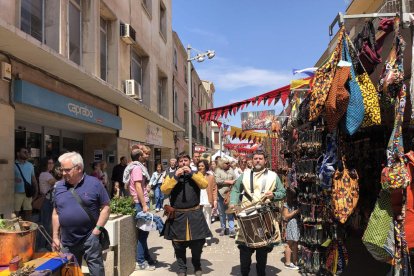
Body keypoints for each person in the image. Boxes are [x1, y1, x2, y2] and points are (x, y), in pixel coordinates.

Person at [229, 150, 286, 276]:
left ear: (265, 160)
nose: (258, 160)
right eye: (255, 158)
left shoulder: (273, 176)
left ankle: (261, 273)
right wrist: (233, 202)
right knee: (245, 249)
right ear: (252, 160)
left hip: (264, 216)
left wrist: (274, 195)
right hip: (246, 216)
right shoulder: (244, 175)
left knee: (262, 250)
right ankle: (245, 272)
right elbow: (235, 190)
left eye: (260, 158)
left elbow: (282, 192)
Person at [52, 152, 110, 276]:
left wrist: (97, 231)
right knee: (69, 272)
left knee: (96, 271)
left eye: (67, 170)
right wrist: (55, 237)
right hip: (67, 241)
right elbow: (56, 213)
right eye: (62, 170)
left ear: (79, 168)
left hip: (90, 237)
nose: (63, 173)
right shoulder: (59, 186)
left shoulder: (94, 183)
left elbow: (106, 208)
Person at [161, 152, 211, 276]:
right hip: (178, 215)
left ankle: (197, 264)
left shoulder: (196, 174)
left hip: (195, 214)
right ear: (178, 163)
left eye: (186, 161)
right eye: (181, 161)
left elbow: (204, 184)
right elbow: (164, 189)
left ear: (190, 162)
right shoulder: (171, 175)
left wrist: (192, 174)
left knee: (198, 243)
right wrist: (175, 178)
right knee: (178, 244)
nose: (183, 163)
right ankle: (182, 268)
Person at [123, 144, 157, 271]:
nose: (147, 156)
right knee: (143, 234)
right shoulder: (137, 168)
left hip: (139, 201)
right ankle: (140, 262)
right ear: (139, 155)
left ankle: (146, 257)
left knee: (144, 232)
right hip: (140, 203)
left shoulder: (136, 167)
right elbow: (137, 187)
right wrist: (144, 205)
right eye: (145, 154)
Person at [37, 157, 57, 250]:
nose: (51, 165)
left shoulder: (48, 174)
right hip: (47, 201)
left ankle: (45, 245)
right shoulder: (45, 174)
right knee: (47, 224)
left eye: (52, 163)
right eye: (49, 163)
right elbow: (55, 183)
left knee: (47, 223)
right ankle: (43, 246)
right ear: (45, 164)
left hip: (48, 200)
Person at [214, 157, 237, 237]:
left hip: (229, 193)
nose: (228, 164)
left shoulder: (231, 170)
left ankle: (231, 229)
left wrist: (233, 183)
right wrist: (228, 181)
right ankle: (223, 228)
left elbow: (235, 179)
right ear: (222, 164)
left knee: (230, 212)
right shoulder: (218, 170)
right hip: (220, 194)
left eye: (229, 163)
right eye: (226, 163)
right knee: (221, 213)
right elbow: (217, 181)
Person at [14, 146, 38, 221]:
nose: (27, 153)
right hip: (16, 193)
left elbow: (33, 179)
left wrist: (36, 191)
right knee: (15, 213)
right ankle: (14, 230)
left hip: (28, 193)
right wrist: (13, 179)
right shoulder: (13, 165)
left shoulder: (30, 165)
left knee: (28, 212)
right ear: (18, 153)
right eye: (24, 152)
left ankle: (27, 230)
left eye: (27, 152)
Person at [197, 159, 217, 246]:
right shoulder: (195, 176)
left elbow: (214, 189)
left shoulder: (210, 176)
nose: (200, 167)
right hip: (197, 201)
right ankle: (199, 238)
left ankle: (205, 237)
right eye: (199, 166)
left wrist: (215, 200)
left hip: (207, 200)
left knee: (207, 219)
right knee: (198, 220)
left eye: (202, 166)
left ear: (206, 167)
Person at [283, 188, 300, 270]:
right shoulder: (286, 204)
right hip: (291, 224)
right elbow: (286, 216)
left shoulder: (295, 203)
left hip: (296, 224)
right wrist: (296, 212)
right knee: (290, 243)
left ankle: (295, 261)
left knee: (295, 243)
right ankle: (288, 262)